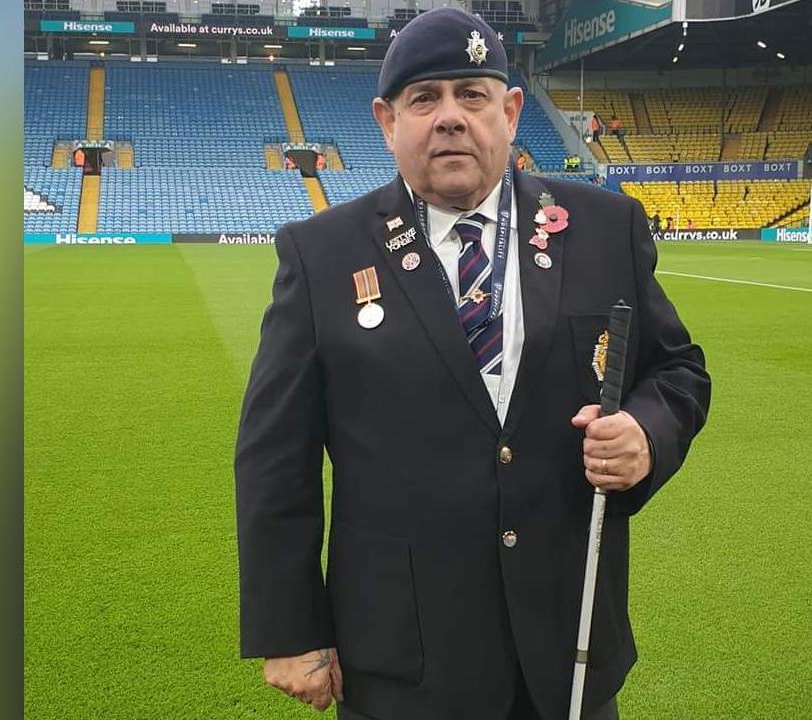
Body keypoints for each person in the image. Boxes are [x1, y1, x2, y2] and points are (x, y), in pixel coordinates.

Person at [235, 8, 710, 720]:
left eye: (473, 95)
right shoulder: (321, 254)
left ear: (511, 112)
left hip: (568, 645)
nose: (450, 118)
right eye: (425, 99)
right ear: (387, 121)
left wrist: (646, 431)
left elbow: (678, 371)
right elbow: (276, 455)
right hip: (404, 657)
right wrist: (290, 627)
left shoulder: (606, 230)